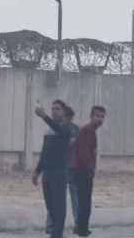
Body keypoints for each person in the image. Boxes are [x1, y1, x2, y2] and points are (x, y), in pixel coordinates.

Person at [32, 100, 72, 238]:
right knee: (50, 205)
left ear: (64, 112)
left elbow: (59, 130)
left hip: (59, 173)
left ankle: (57, 234)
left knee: (59, 205)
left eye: (58, 109)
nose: (55, 111)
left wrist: (44, 117)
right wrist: (37, 171)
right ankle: (56, 232)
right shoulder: (49, 130)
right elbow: (45, 152)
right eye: (53, 108)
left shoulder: (66, 128)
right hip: (47, 173)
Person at [70, 105, 106, 237]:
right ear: (91, 116)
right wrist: (90, 169)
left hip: (82, 170)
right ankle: (82, 230)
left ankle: (81, 228)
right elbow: (83, 153)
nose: (100, 119)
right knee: (85, 202)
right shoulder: (87, 130)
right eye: (97, 116)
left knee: (84, 201)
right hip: (82, 170)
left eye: (102, 117)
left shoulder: (91, 130)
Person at [44, 105, 80, 233]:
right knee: (74, 196)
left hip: (62, 169)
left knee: (56, 198)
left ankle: (51, 223)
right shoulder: (75, 129)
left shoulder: (60, 129)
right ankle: (78, 223)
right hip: (73, 168)